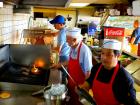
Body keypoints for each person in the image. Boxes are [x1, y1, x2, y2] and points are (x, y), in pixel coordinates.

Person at [79, 39, 138, 105]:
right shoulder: (96, 68)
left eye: (109, 55)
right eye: (102, 53)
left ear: (118, 56)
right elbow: (89, 81)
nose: (104, 57)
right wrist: (83, 88)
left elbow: (131, 102)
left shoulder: (124, 78)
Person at [51, 27, 93, 105]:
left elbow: (88, 72)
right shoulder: (72, 47)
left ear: (74, 40)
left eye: (68, 39)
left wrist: (83, 88)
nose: (66, 41)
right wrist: (59, 65)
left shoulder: (84, 50)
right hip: (71, 83)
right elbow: (70, 61)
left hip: (80, 87)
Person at [50, 15, 70, 83]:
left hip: (64, 57)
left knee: (62, 75)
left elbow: (58, 49)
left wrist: (49, 50)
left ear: (61, 24)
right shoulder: (65, 29)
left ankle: (63, 90)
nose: (54, 26)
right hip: (67, 55)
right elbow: (56, 34)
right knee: (65, 74)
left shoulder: (62, 33)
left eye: (55, 24)